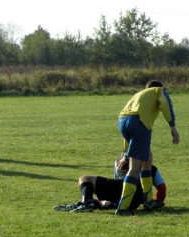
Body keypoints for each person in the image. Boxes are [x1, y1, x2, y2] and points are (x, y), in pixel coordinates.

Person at [115, 80, 179, 216]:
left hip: (123, 121)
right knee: (135, 168)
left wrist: (126, 154)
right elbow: (166, 103)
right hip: (139, 124)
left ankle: (148, 201)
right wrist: (172, 126)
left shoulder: (138, 95)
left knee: (147, 157)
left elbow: (129, 128)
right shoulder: (158, 90)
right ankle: (122, 208)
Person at [53, 154, 166, 213]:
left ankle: (86, 203)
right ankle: (93, 203)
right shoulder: (152, 168)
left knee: (84, 178)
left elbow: (117, 184)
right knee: (105, 201)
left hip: (123, 192)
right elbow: (162, 188)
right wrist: (157, 201)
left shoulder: (119, 162)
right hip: (135, 202)